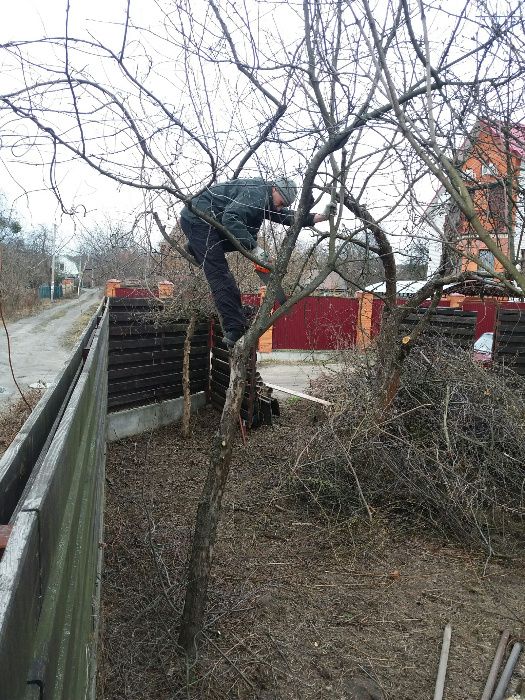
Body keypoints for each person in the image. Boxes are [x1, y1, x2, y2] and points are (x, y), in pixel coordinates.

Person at [180, 176, 332, 347]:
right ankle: (234, 328)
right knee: (219, 273)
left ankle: (196, 247)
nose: (280, 207)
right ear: (275, 189)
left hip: (213, 220)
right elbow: (231, 219)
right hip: (198, 219)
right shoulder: (256, 192)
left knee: (248, 235)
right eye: (281, 202)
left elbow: (285, 216)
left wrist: (319, 217)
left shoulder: (265, 197)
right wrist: (255, 250)